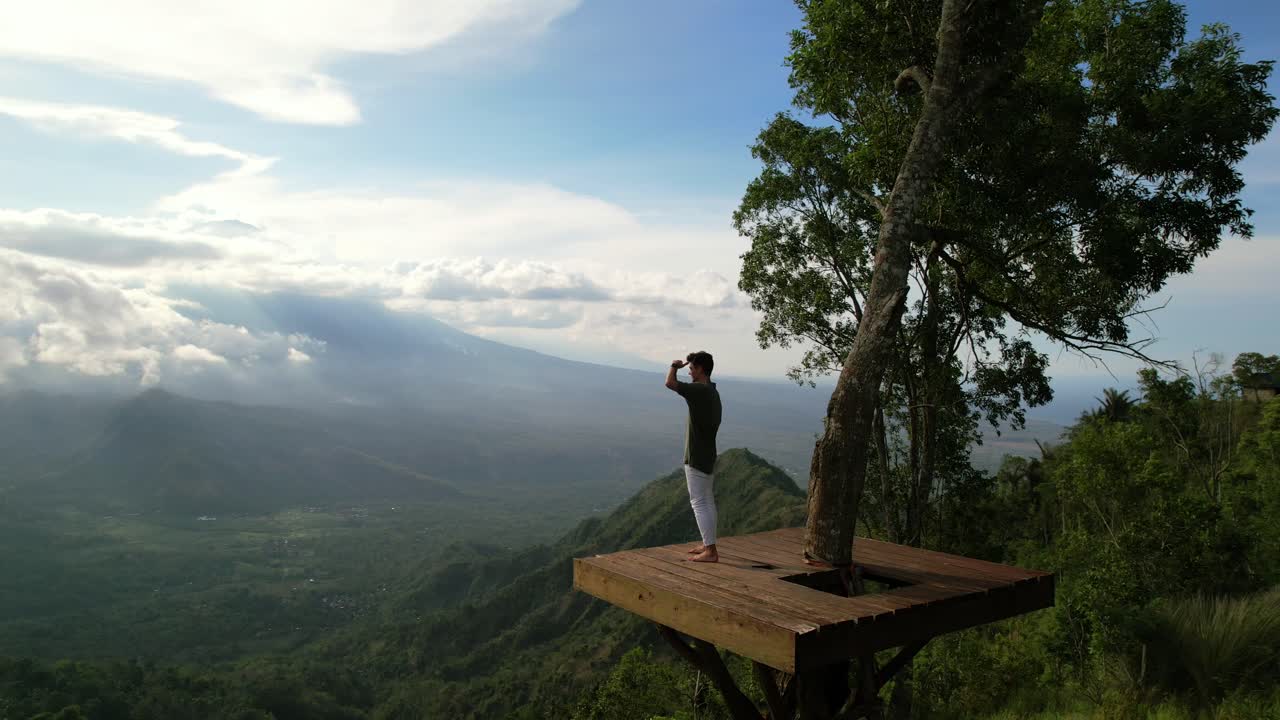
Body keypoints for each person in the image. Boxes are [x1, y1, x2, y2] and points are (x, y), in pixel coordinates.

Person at [665, 350, 722, 563]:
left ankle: (711, 551)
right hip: (708, 453)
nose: (689, 372)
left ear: (700, 369)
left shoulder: (699, 390)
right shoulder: (712, 390)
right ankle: (708, 545)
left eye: (691, 369)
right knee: (707, 500)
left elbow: (670, 383)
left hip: (697, 454)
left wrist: (674, 366)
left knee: (698, 502)